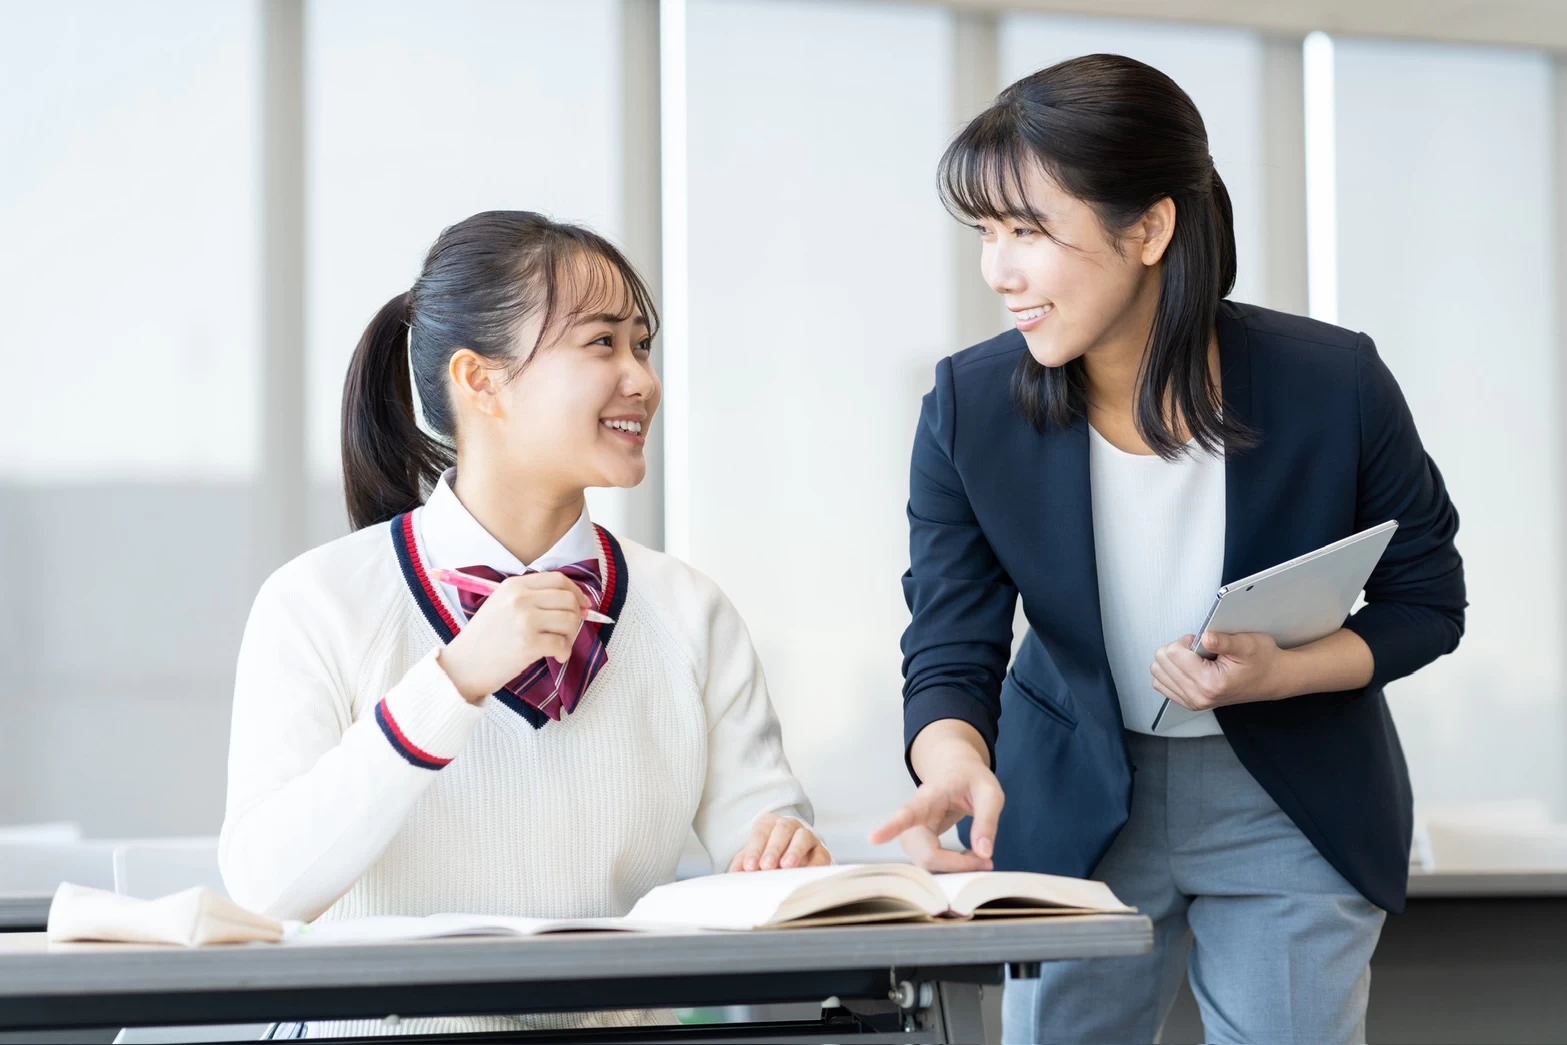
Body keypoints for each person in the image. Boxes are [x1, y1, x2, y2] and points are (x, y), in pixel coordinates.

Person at [871, 54, 1465, 1045]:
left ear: (1147, 227)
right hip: (1072, 798)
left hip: (1288, 799)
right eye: (986, 232)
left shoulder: (1333, 383)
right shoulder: (970, 409)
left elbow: (1426, 598)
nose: (998, 270)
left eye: (1028, 230)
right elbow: (949, 645)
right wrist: (952, 761)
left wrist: (1285, 670)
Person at [219, 211, 826, 1037]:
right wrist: (454, 681)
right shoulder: (320, 600)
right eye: (601, 344)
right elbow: (263, 887)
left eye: (641, 345)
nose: (641, 379)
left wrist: (782, 855)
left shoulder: (687, 608)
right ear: (480, 380)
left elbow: (762, 851)